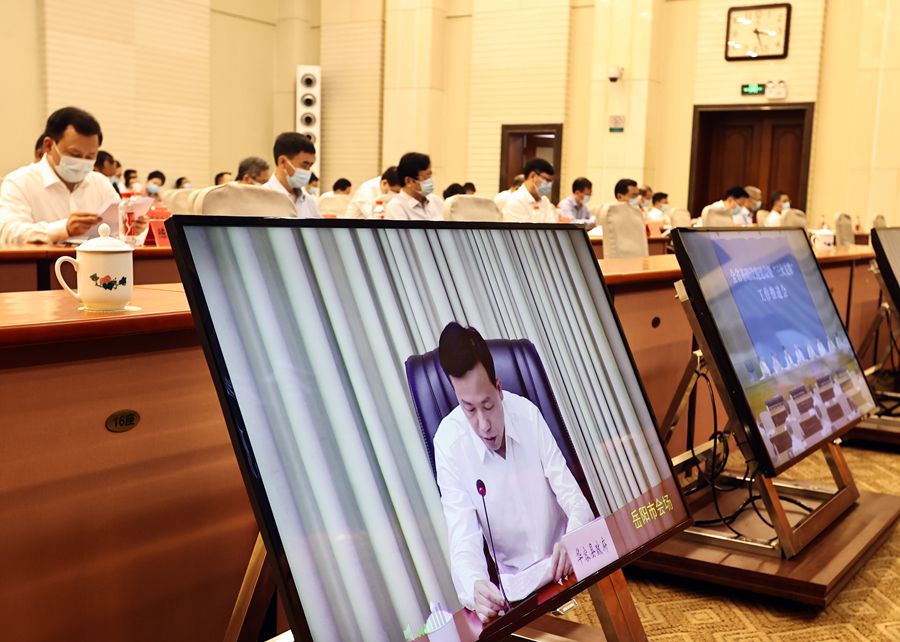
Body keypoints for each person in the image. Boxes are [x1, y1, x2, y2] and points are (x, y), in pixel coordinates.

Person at [433, 322, 593, 622]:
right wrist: (476, 587)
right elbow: (463, 540)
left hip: (570, 570)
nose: (483, 425)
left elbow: (575, 500)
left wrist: (574, 539)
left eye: (487, 405)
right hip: (520, 598)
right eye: (469, 409)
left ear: (499, 388)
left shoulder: (527, 415)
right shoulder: (448, 444)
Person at [0, 106, 143, 244]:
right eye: (75, 154)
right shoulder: (19, 182)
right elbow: (8, 232)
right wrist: (64, 229)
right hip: (42, 260)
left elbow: (118, 230)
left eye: (90, 156)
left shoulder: (100, 183)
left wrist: (130, 227)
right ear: (48, 145)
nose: (82, 162)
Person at [262, 132, 321, 218]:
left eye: (310, 166)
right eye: (304, 165)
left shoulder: (309, 201)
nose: (308, 171)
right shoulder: (260, 199)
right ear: (282, 161)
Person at [385, 152, 443, 220]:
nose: (430, 181)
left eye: (430, 176)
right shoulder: (396, 207)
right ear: (408, 181)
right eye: (427, 177)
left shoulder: (436, 201)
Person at [502, 158, 557, 223]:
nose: (549, 185)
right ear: (533, 176)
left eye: (551, 182)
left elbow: (551, 225)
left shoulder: (545, 201)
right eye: (547, 180)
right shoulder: (515, 201)